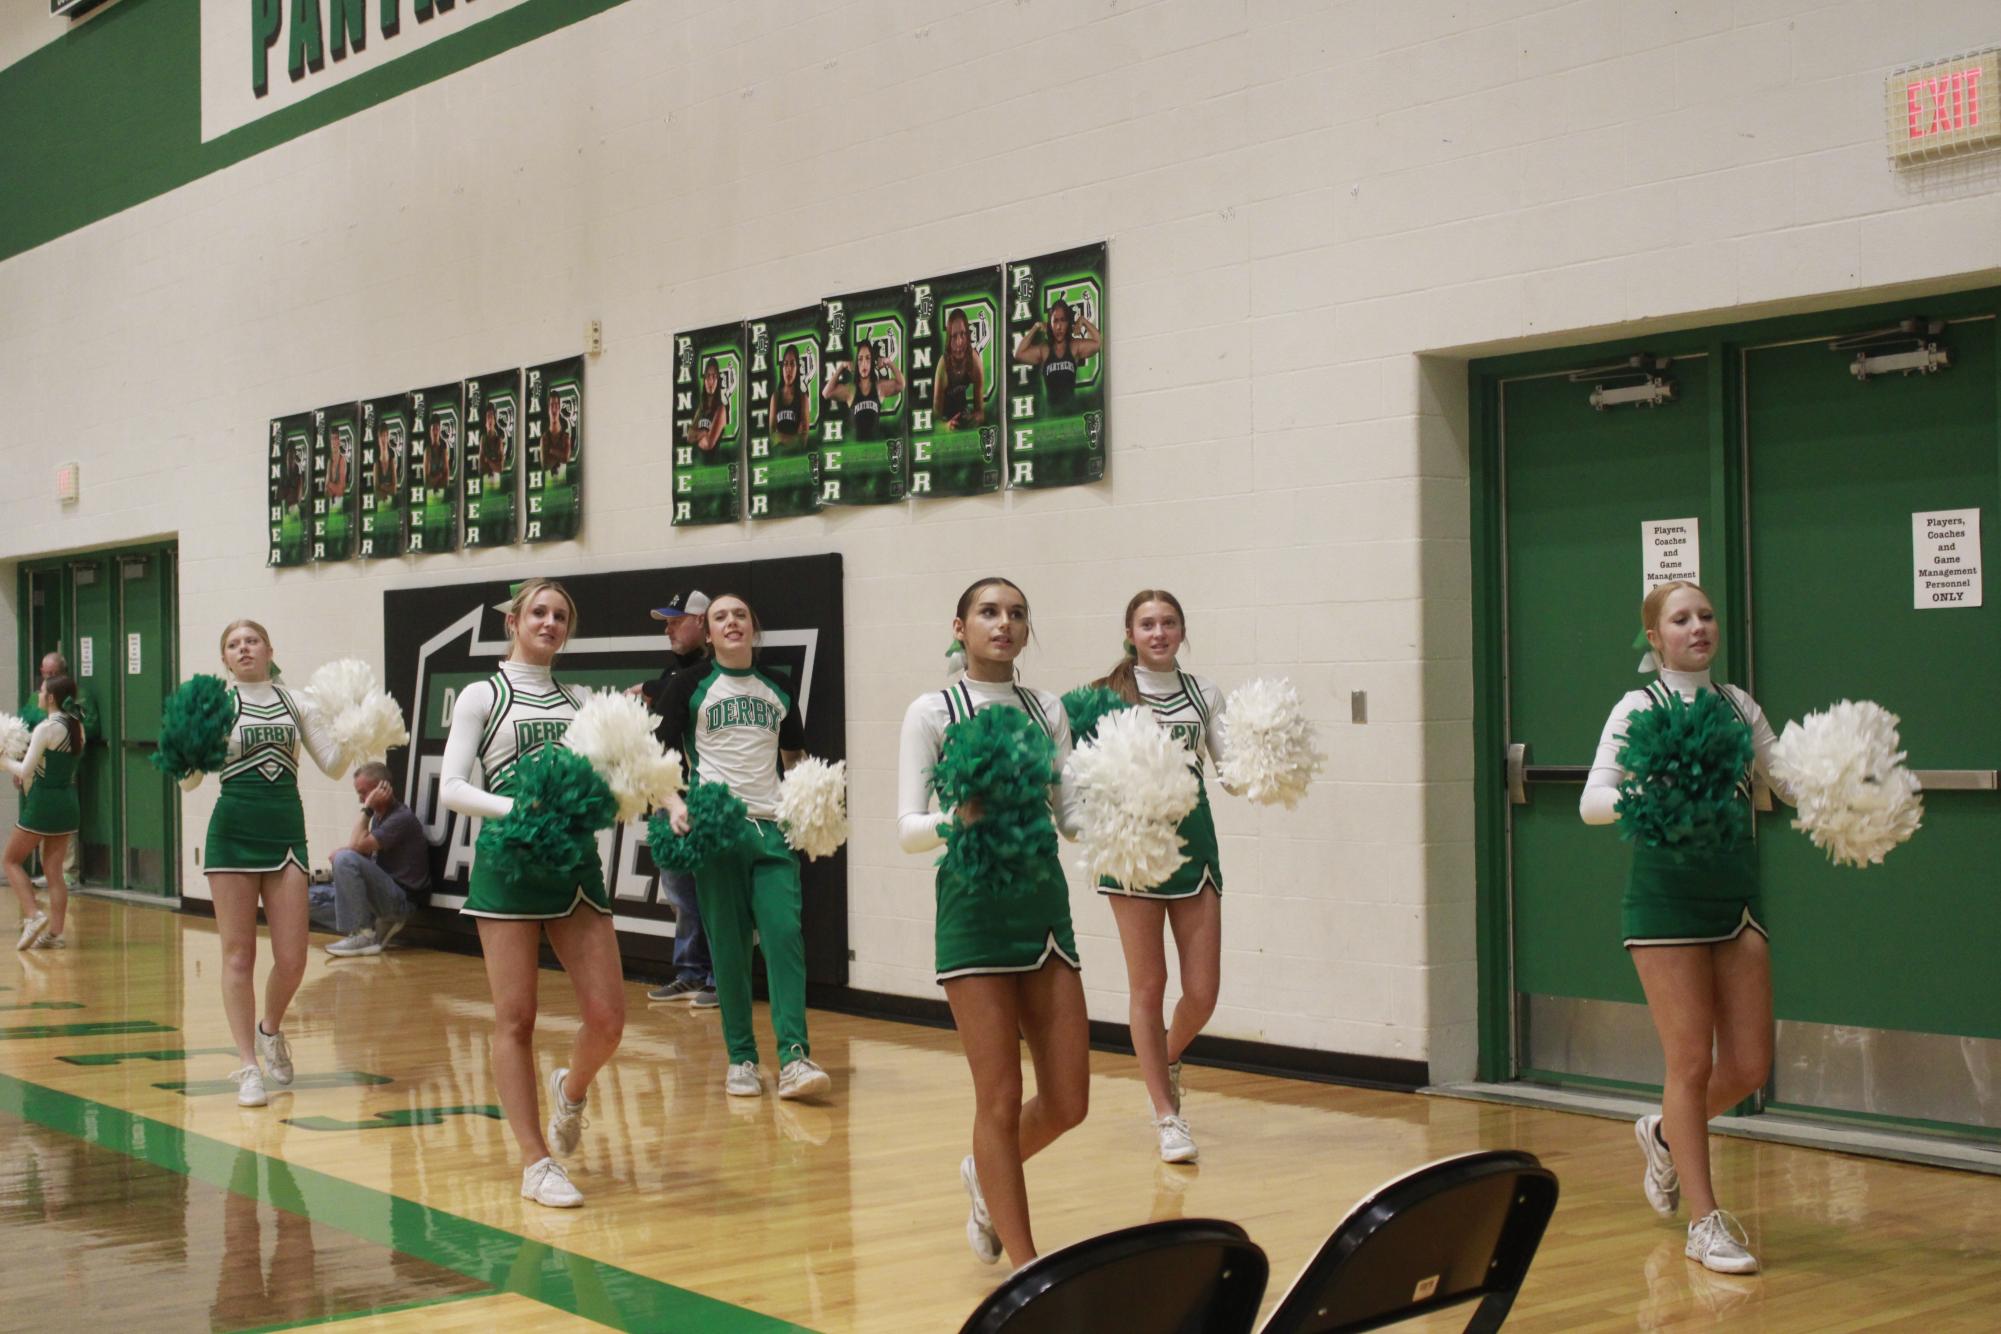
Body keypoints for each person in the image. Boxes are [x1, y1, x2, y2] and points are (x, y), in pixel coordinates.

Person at [1580, 580, 1785, 1276]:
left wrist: (1846, 785)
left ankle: (1665, 1133)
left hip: (1734, 898)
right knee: (1690, 1062)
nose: (1697, 626)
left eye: (1704, 614)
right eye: (1679, 618)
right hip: (1663, 903)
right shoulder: (1638, 707)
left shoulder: (1737, 706)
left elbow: (1782, 777)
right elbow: (1592, 800)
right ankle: (1704, 1222)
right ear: (1653, 636)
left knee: (1751, 1064)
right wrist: (1652, 794)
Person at [897, 576, 1088, 1268]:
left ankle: (984, 1174)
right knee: (1000, 1099)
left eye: (1015, 613)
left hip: (1043, 914)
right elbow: (906, 828)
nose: (1002, 623)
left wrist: (1126, 816)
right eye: (987, 612)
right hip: (972, 914)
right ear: (960, 627)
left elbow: (1067, 816)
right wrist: (958, 818)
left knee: (1068, 1101)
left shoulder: (1046, 711)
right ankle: (1027, 1271)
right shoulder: (932, 710)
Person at [439, 578, 625, 1208]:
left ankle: (569, 1091)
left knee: (608, 1019)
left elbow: (609, 778)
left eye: (561, 615)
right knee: (515, 1018)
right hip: (508, 865)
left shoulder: (582, 701)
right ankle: (535, 1162)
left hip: (573, 866)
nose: (550, 622)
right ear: (512, 622)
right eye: (539, 612)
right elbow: (453, 787)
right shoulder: (481, 695)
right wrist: (518, 808)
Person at [654, 594, 831, 1102]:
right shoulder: (688, 685)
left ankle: (795, 1057)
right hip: (716, 830)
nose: (731, 622)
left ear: (753, 628)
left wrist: (812, 802)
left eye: (740, 615)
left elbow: (794, 755)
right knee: (728, 950)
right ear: (707, 634)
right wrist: (673, 802)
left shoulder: (778, 686)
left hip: (771, 829)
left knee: (783, 934)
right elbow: (656, 755)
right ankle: (742, 1059)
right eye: (719, 617)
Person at [183, 620, 348, 1109]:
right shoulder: (216, 707)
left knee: (294, 959)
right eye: (233, 644)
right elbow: (189, 784)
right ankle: (248, 1066)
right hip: (231, 835)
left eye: (251, 640)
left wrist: (358, 726)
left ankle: (269, 1029)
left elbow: (335, 765)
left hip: (286, 837)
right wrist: (186, 749)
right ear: (225, 661)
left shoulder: (297, 703)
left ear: (269, 649)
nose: (243, 649)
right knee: (238, 956)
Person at [1089, 590, 1228, 1165]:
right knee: (1149, 985)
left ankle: (1166, 1059)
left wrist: (1265, 762)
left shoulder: (1204, 693)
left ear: (1182, 630)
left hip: (1195, 846)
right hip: (1133, 850)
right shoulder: (1103, 696)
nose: (1158, 632)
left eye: (1169, 622)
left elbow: (1231, 770)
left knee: (1202, 992)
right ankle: (1166, 1115)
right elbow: (1084, 773)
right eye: (1147, 624)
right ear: (1130, 633)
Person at [633, 589, 717, 1007]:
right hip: (671, 799)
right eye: (665, 621)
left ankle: (721, 978)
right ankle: (690, 972)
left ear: (701, 622)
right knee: (682, 895)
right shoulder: (672, 676)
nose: (668, 628)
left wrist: (654, 688)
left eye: (676, 620)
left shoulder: (715, 673)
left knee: (716, 892)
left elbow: (685, 688)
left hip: (708, 801)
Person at [316, 761, 430, 958]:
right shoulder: (379, 817)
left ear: (382, 788)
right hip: (384, 896)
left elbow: (356, 847)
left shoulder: (400, 818)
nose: (361, 800)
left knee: (344, 859)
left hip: (401, 902)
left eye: (364, 793)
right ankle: (367, 926)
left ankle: (363, 934)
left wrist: (367, 809)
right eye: (359, 794)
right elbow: (359, 850)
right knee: (311, 896)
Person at [6, 674, 84, 950]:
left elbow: (25, 770)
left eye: (41, 690)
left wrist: (3, 760)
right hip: (68, 803)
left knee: (10, 861)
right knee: (54, 871)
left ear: (51, 697)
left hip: (43, 801)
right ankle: (55, 934)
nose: (39, 694)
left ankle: (33, 914)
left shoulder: (47, 727)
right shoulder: (76, 725)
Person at [1011, 299, 1101, 410]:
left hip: (1071, 411)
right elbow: (1018, 354)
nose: (1059, 327)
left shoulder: (1074, 346)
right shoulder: (1044, 349)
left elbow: (1097, 343)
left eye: (1063, 320)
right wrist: (1036, 327)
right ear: (1050, 324)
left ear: (1068, 323)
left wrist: (1083, 321)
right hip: (1051, 415)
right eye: (1055, 321)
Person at [823, 339, 903, 441]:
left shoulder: (879, 387)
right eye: (860, 359)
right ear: (856, 363)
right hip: (856, 451)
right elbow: (826, 393)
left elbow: (901, 384)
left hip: (875, 449)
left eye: (868, 358)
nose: (864, 363)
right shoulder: (851, 390)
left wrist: (889, 362)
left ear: (872, 361)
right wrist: (841, 367)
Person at [934, 308, 986, 430]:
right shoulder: (943, 366)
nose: (959, 342)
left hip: (962, 412)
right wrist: (946, 426)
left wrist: (974, 419)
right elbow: (935, 421)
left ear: (968, 335)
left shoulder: (975, 361)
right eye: (954, 336)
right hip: (945, 418)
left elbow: (980, 412)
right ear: (948, 340)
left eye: (963, 334)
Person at [685, 358, 730, 454]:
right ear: (704, 379)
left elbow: (708, 443)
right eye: (708, 376)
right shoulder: (701, 409)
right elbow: (689, 437)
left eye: (714, 376)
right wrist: (704, 433)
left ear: (718, 380)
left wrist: (697, 436)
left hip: (716, 463)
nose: (711, 380)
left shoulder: (721, 409)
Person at [771, 344, 812, 448]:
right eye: (785, 364)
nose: (788, 369)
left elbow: (803, 440)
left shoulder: (803, 398)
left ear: (798, 368)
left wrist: (780, 437)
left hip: (796, 457)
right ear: (782, 367)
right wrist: (793, 438)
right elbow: (771, 438)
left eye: (792, 364)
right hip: (778, 457)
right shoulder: (775, 397)